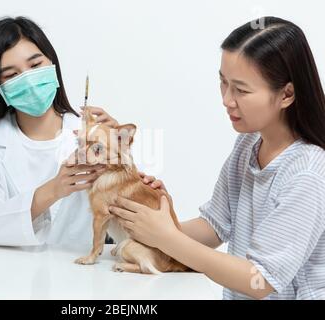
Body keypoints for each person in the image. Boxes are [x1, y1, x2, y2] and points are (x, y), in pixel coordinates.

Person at [110, 17, 325, 299]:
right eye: (223, 83)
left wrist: (167, 237)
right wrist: (163, 218)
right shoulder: (248, 143)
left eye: (241, 90)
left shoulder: (307, 173)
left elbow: (259, 280)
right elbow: (215, 226)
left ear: (287, 94)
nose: (226, 99)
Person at [0, 16, 118, 246]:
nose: (28, 80)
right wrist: (52, 190)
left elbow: (130, 212)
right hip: (7, 277)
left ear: (52, 64)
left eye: (35, 65)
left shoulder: (90, 135)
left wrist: (119, 150)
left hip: (83, 275)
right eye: (12, 75)